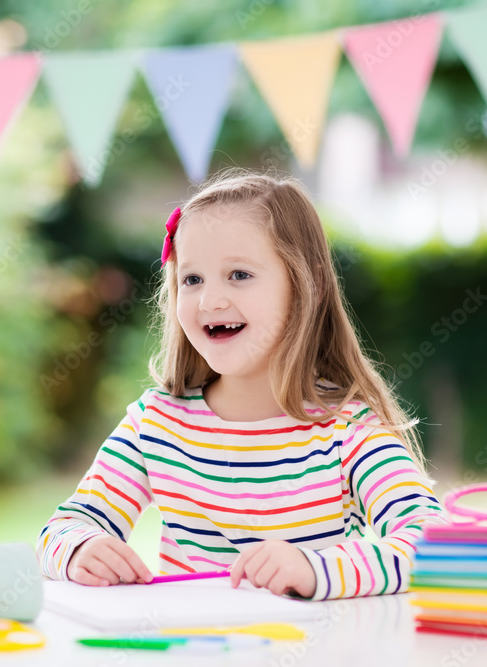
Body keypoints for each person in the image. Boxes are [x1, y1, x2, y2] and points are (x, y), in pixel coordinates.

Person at [37, 169, 448, 599]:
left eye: (239, 275)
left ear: (306, 286)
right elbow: (62, 528)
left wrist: (316, 569)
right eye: (192, 279)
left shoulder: (348, 430)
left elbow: (431, 541)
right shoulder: (154, 425)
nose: (210, 300)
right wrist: (80, 548)